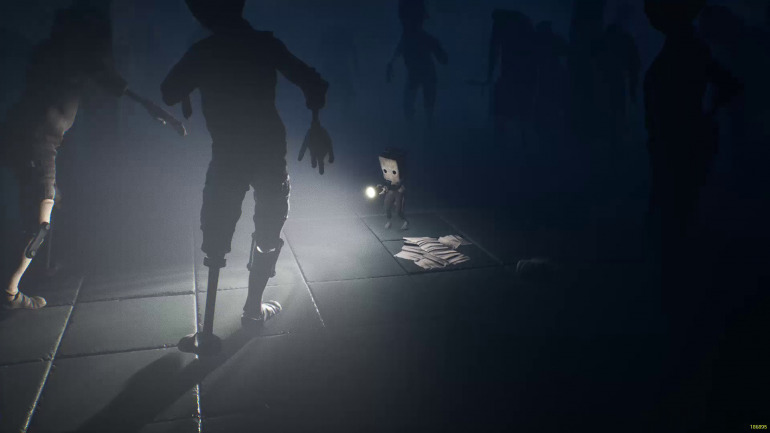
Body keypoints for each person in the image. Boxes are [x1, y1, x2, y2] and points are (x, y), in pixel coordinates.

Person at [161, 0, 328, 330]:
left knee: (217, 226)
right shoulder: (264, 43)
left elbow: (169, 91)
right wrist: (316, 123)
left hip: (228, 151)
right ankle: (252, 309)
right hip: (268, 147)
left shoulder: (204, 51)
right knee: (270, 222)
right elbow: (313, 81)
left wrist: (191, 86)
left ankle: (208, 326)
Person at [1, 0, 127, 310]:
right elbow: (111, 83)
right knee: (39, 224)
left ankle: (41, 268)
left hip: (27, 138)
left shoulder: (59, 55)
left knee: (51, 199)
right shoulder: (70, 57)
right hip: (36, 143)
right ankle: (9, 295)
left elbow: (110, 84)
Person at [387, 0, 448, 127]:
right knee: (412, 103)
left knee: (425, 102)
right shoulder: (411, 38)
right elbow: (441, 57)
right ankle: (418, 126)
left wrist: (391, 64)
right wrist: (391, 64)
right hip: (416, 73)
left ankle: (426, 125)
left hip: (424, 72)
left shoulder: (420, 38)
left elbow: (442, 57)